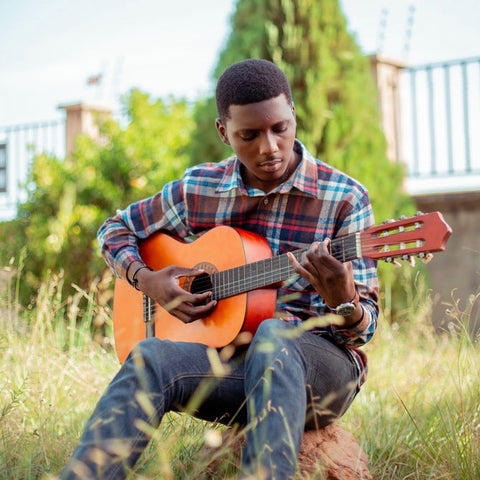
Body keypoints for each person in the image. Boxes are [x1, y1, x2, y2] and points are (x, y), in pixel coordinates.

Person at [60, 58, 379, 480]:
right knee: (151, 355)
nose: (269, 147)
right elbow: (115, 229)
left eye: (280, 128)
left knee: (273, 334)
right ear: (223, 132)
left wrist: (346, 301)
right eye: (249, 135)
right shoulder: (199, 189)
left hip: (319, 372)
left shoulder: (344, 198)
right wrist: (147, 279)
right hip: (234, 369)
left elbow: (363, 330)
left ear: (293, 117)